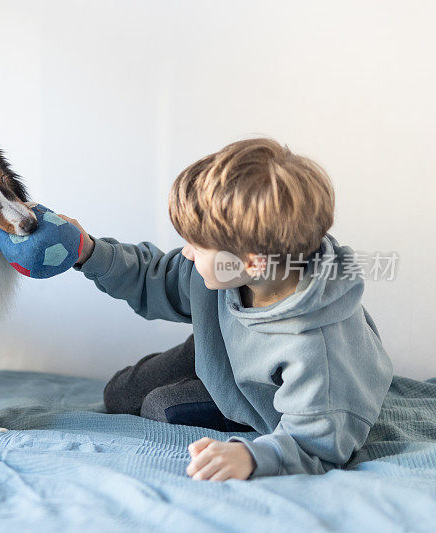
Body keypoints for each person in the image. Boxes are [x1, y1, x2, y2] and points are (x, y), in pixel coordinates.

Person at [58, 138, 392, 480]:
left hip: (269, 395)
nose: (187, 253)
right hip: (225, 350)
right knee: (119, 392)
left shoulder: (317, 350)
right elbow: (155, 275)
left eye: (198, 247)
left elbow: (320, 444)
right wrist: (91, 252)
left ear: (253, 263)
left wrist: (252, 457)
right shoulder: (232, 267)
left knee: (158, 406)